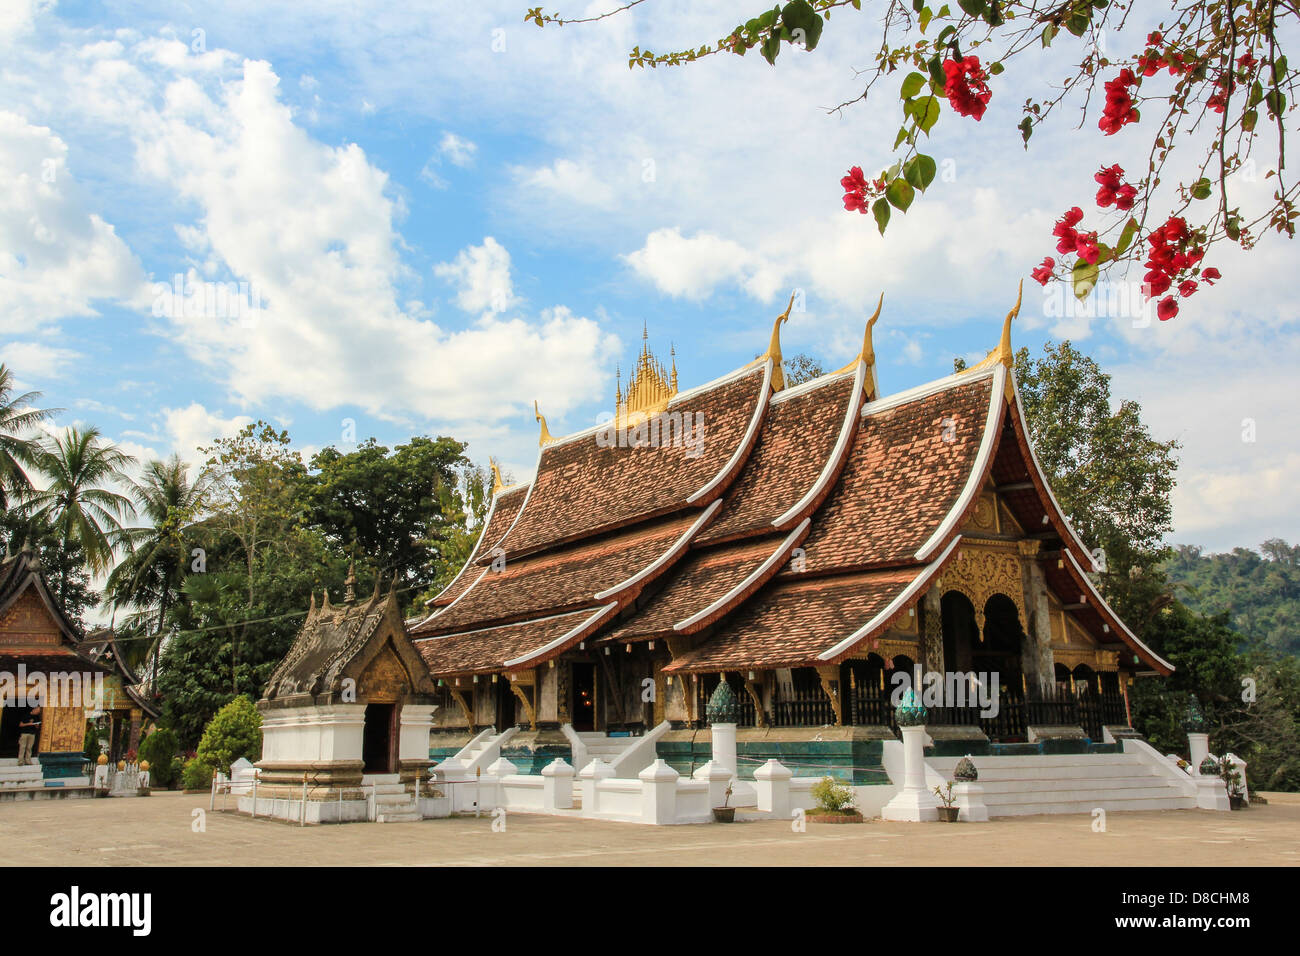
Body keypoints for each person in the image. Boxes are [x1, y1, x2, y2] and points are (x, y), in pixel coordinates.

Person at [17, 700, 42, 766]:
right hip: (25, 733)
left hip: (32, 734)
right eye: (38, 711)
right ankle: (20, 761)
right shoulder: (26, 715)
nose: (38, 712)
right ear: (34, 709)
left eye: (39, 711)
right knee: (22, 747)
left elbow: (37, 727)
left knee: (29, 748)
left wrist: (36, 725)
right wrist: (29, 724)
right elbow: (20, 725)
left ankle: (28, 761)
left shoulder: (37, 717)